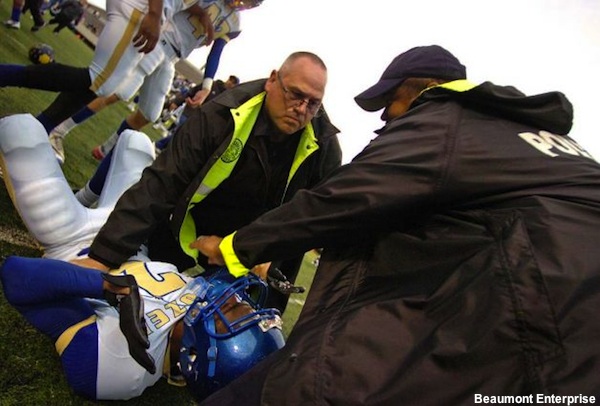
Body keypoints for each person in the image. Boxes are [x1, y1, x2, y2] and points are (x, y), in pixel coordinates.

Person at [193, 45, 600, 404]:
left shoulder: (443, 120)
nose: (386, 117)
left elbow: (340, 198)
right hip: (571, 345)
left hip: (525, 316)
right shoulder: (543, 144)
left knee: (298, 386)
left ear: (421, 88)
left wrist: (233, 247)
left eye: (389, 101)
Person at [0, 113, 285, 401]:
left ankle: (75, 202)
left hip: (68, 238)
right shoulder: (197, 317)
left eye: (234, 313)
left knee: (20, 129)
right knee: (137, 142)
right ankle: (84, 196)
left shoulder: (124, 367)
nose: (233, 299)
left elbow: (16, 275)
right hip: (124, 233)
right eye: (243, 305)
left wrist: (108, 287)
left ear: (197, 354)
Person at [74, 51, 342, 313]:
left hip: (262, 244)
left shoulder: (325, 148)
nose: (302, 109)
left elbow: (315, 220)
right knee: (129, 285)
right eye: (295, 94)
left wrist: (263, 256)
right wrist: (103, 256)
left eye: (313, 103)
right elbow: (163, 181)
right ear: (272, 80)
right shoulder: (222, 113)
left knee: (244, 331)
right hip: (197, 225)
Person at [48, 0, 255, 164]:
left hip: (173, 57)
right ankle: (58, 131)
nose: (241, 4)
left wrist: (206, 86)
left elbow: (216, 52)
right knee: (117, 91)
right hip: (160, 38)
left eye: (248, 3)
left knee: (150, 114)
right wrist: (201, 15)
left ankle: (107, 149)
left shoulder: (234, 23)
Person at [0, 0, 209, 134]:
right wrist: (154, 14)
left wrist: (202, 14)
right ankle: (6, 77)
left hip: (144, 8)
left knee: (101, 85)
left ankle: (38, 128)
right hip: (143, 8)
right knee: (98, 80)